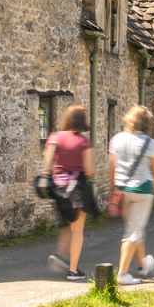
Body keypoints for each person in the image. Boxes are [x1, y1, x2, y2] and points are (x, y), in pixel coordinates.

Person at [109, 105, 154, 286]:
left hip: (123, 190)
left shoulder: (116, 140)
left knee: (134, 227)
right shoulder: (151, 144)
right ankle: (122, 273)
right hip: (142, 190)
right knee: (133, 231)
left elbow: (112, 168)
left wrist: (113, 190)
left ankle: (144, 264)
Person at [43, 104, 95, 281]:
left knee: (67, 224)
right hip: (77, 188)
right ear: (82, 121)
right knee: (77, 229)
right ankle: (73, 270)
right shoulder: (84, 142)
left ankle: (59, 255)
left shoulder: (54, 137)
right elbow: (89, 170)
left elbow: (48, 164)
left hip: (59, 188)